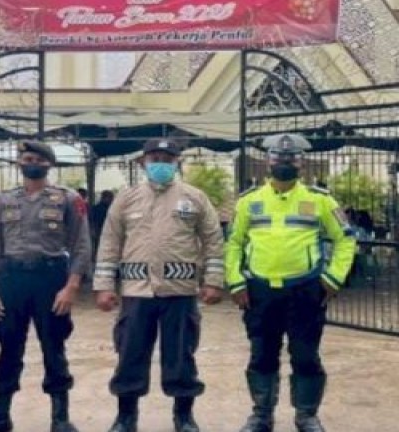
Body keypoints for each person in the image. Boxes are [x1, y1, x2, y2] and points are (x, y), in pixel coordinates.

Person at [94, 138, 226, 432]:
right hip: (136, 293)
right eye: (154, 158)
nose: (160, 163)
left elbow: (214, 241)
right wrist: (104, 285)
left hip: (180, 292)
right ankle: (126, 416)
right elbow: (109, 242)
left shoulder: (195, 198)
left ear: (177, 162)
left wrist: (214, 282)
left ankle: (184, 416)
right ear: (143, 162)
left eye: (167, 158)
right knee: (130, 355)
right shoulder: (126, 199)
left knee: (181, 356)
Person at [225, 133, 355, 432]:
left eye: (291, 158)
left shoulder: (320, 199)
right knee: (261, 354)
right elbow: (232, 243)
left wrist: (333, 278)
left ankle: (306, 415)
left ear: (301, 163)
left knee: (306, 355)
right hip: (259, 292)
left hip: (306, 291)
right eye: (278, 158)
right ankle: (261, 415)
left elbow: (345, 240)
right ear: (267, 162)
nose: (284, 162)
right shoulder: (249, 201)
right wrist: (235, 281)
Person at [0, 140, 91, 432]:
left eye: (38, 158)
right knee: (9, 346)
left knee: (54, 346)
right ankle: (0, 416)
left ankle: (60, 418)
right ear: (19, 163)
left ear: (49, 164)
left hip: (50, 279)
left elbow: (82, 245)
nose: (31, 162)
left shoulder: (67, 198)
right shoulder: (2, 201)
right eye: (26, 158)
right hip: (12, 280)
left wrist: (71, 287)